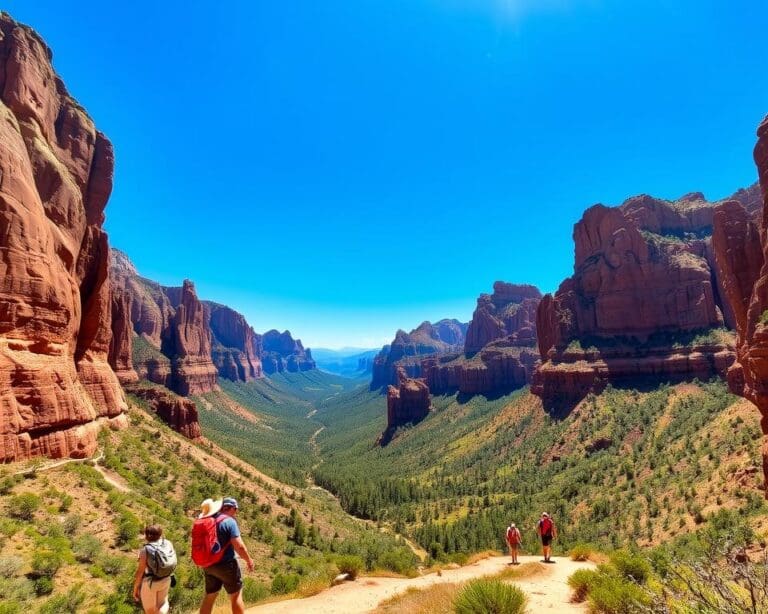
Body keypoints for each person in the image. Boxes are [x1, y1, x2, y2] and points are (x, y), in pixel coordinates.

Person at [199, 497, 255, 614]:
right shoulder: (229, 522)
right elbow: (239, 546)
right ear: (233, 509)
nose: (236, 512)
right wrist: (248, 560)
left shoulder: (208, 520)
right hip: (226, 565)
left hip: (208, 565)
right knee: (236, 595)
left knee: (209, 597)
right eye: (236, 510)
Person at [133, 525, 176, 614]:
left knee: (150, 611)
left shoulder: (145, 550)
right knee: (163, 603)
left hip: (150, 582)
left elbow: (140, 572)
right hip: (166, 578)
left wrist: (136, 588)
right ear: (160, 534)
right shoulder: (168, 543)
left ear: (146, 535)